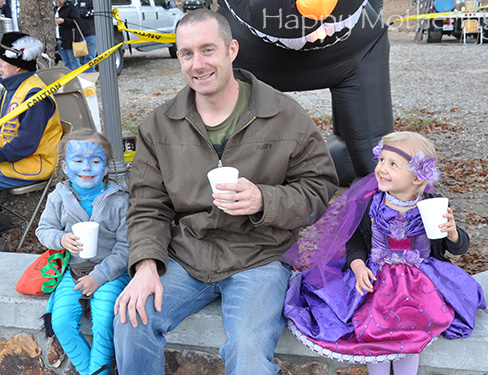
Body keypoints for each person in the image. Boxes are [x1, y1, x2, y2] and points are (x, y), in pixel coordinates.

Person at [113, 9, 338, 375]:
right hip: (188, 255)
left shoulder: (283, 114)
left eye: (207, 50)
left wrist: (265, 200)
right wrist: (146, 265)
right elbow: (147, 204)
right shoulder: (159, 124)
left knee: (248, 351)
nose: (197, 64)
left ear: (232, 49)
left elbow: (319, 189)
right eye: (186, 54)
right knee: (130, 320)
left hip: (260, 256)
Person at [283, 131, 486, 375]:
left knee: (412, 330)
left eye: (393, 164)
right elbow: (355, 241)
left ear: (418, 178)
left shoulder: (433, 205)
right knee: (374, 328)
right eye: (381, 160)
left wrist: (452, 234)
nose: (382, 168)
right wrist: (358, 266)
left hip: (418, 284)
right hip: (375, 278)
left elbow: (454, 248)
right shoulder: (370, 204)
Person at [36, 129, 131, 375]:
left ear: (107, 167)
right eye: (78, 161)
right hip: (73, 271)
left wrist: (99, 277)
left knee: (104, 319)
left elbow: (126, 246)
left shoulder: (120, 200)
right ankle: (90, 371)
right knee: (61, 320)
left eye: (95, 161)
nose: (86, 168)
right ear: (66, 167)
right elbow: (43, 230)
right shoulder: (59, 197)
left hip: (110, 272)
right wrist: (60, 238)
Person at [0, 32, 62, 229]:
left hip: (34, 162)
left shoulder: (34, 95)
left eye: (2, 61)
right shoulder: (13, 88)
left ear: (18, 66)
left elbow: (26, 144)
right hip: (14, 157)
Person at [54, 0, 81, 71]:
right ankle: (70, 79)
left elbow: (77, 22)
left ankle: (78, 79)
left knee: (74, 61)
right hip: (59, 38)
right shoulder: (55, 9)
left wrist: (63, 21)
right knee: (66, 62)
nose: (54, 2)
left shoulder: (71, 7)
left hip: (70, 38)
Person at [77, 0, 96, 72]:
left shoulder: (92, 1)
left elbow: (94, 12)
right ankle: (83, 79)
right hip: (78, 34)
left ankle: (90, 79)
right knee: (80, 59)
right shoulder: (75, 1)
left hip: (90, 33)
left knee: (90, 58)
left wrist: (80, 13)